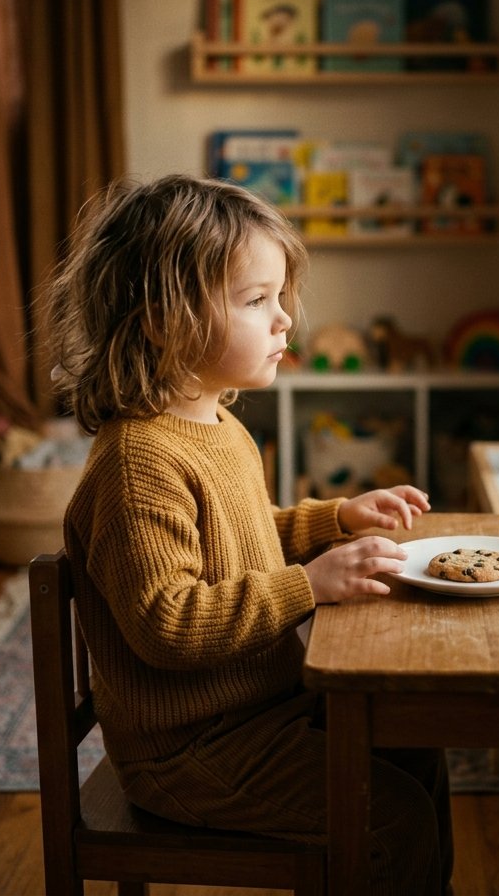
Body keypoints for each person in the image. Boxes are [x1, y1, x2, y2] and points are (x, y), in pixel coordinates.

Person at [45, 173, 453, 895]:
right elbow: (168, 622)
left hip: (259, 712)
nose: (285, 319)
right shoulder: (138, 464)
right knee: (391, 818)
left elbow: (243, 536)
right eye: (256, 300)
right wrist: (309, 585)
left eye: (280, 298)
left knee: (417, 740)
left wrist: (336, 516)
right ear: (165, 319)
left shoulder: (217, 425)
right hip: (191, 752)